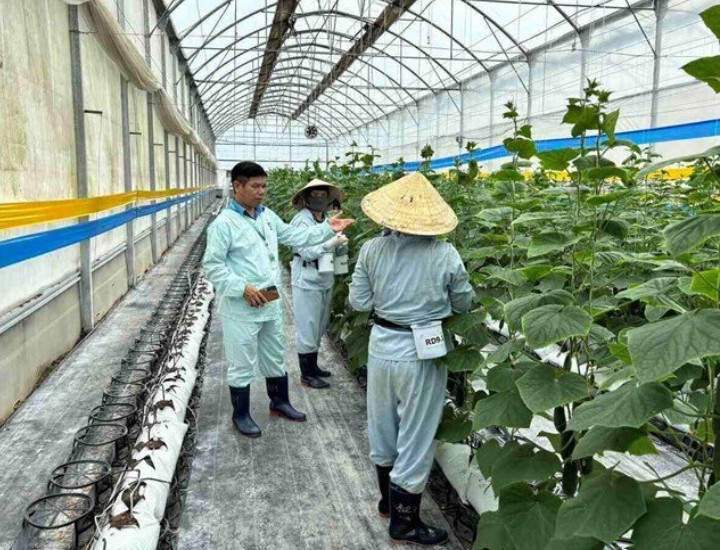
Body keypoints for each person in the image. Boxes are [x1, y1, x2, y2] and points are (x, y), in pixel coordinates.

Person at [349, 172, 473, 546]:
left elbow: (358, 302)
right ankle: (405, 523)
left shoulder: (372, 249)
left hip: (382, 342)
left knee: (383, 425)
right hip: (423, 346)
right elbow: (464, 302)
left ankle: (388, 503)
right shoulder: (444, 253)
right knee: (417, 434)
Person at [203, 162, 353, 439]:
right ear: (237, 186)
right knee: (242, 361)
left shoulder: (266, 216)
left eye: (264, 186)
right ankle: (241, 414)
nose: (262, 192)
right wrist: (241, 287)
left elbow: (294, 235)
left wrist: (328, 228)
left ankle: (280, 402)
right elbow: (212, 266)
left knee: (274, 355)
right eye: (255, 186)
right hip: (242, 307)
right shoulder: (224, 224)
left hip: (270, 301)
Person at [289, 179, 347, 389]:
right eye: (315, 195)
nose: (320, 199)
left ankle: (313, 367)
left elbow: (333, 247)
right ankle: (306, 375)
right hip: (307, 278)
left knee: (320, 324)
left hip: (325, 277)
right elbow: (305, 251)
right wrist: (331, 241)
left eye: (323, 195)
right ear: (305, 199)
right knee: (308, 326)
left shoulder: (328, 220)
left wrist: (340, 245)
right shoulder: (301, 221)